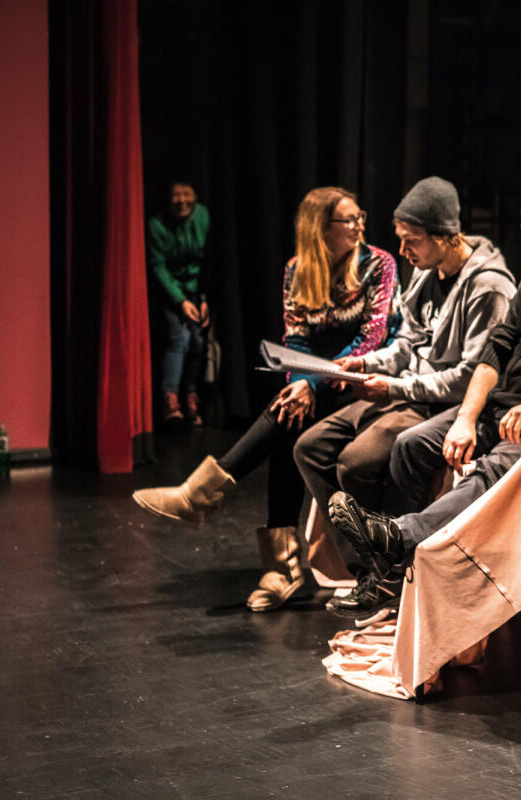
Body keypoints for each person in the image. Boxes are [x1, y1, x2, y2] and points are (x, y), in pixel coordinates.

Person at [326, 187, 521, 617]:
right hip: (510, 408)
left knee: (492, 469)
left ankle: (399, 536)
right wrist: (466, 418)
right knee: (412, 445)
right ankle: (395, 573)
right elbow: (496, 351)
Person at [132, 186, 401, 613]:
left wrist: (309, 384)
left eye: (359, 217)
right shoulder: (297, 270)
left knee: (288, 422)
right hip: (318, 383)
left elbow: (371, 339)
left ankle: (219, 510)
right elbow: (295, 339)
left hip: (366, 380)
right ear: (320, 228)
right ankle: (273, 559)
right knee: (289, 420)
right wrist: (299, 385)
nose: (359, 226)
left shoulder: (377, 265)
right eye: (349, 220)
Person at [292, 177, 516, 617]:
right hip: (407, 390)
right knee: (310, 447)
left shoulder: (488, 287)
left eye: (411, 240)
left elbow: (470, 376)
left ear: (444, 237)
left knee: (355, 462)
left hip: (439, 402)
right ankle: (370, 571)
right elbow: (408, 342)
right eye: (400, 239)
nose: (403, 250)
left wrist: (393, 387)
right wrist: (368, 363)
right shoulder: (426, 272)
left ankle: (388, 569)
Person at [148, 179, 211, 425]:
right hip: (170, 292)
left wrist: (204, 298)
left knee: (197, 340)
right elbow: (158, 267)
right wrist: (181, 301)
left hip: (197, 289)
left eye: (186, 193)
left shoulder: (202, 217)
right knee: (180, 339)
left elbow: (208, 258)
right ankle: (170, 399)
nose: (181, 201)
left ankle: (191, 396)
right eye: (176, 195)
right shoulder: (157, 225)